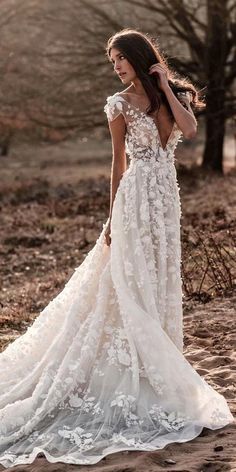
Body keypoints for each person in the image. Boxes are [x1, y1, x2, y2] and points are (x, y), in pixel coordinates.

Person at [0, 28, 234, 469]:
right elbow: (118, 161)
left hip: (165, 199)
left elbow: (188, 128)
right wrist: (112, 216)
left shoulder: (167, 96)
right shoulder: (118, 104)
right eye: (112, 63)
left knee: (160, 275)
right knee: (128, 280)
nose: (117, 68)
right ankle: (137, 366)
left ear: (139, 57)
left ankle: (157, 365)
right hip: (134, 200)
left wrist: (164, 84)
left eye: (120, 59)